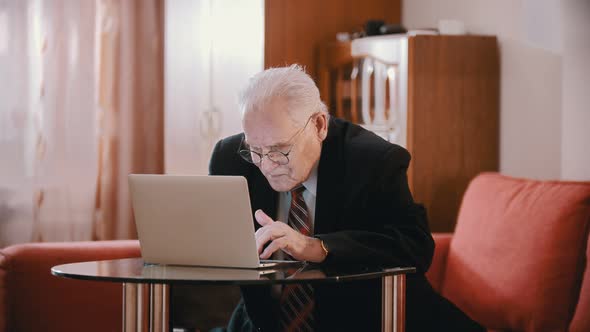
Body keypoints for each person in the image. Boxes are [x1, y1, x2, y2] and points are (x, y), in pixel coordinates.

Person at [209, 65, 482, 331]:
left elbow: (414, 246)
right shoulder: (230, 158)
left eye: (280, 150)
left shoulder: (373, 162)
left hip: (370, 319)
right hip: (265, 321)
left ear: (318, 126)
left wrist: (316, 247)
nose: (266, 165)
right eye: (255, 150)